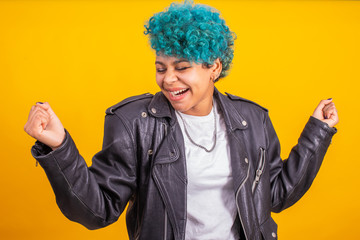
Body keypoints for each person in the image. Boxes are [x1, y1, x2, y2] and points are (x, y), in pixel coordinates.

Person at [24, 1, 338, 240]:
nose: (169, 79)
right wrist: (60, 147)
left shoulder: (252, 119)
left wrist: (317, 134)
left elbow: (276, 195)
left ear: (214, 66)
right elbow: (98, 211)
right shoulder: (135, 122)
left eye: (182, 67)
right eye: (161, 68)